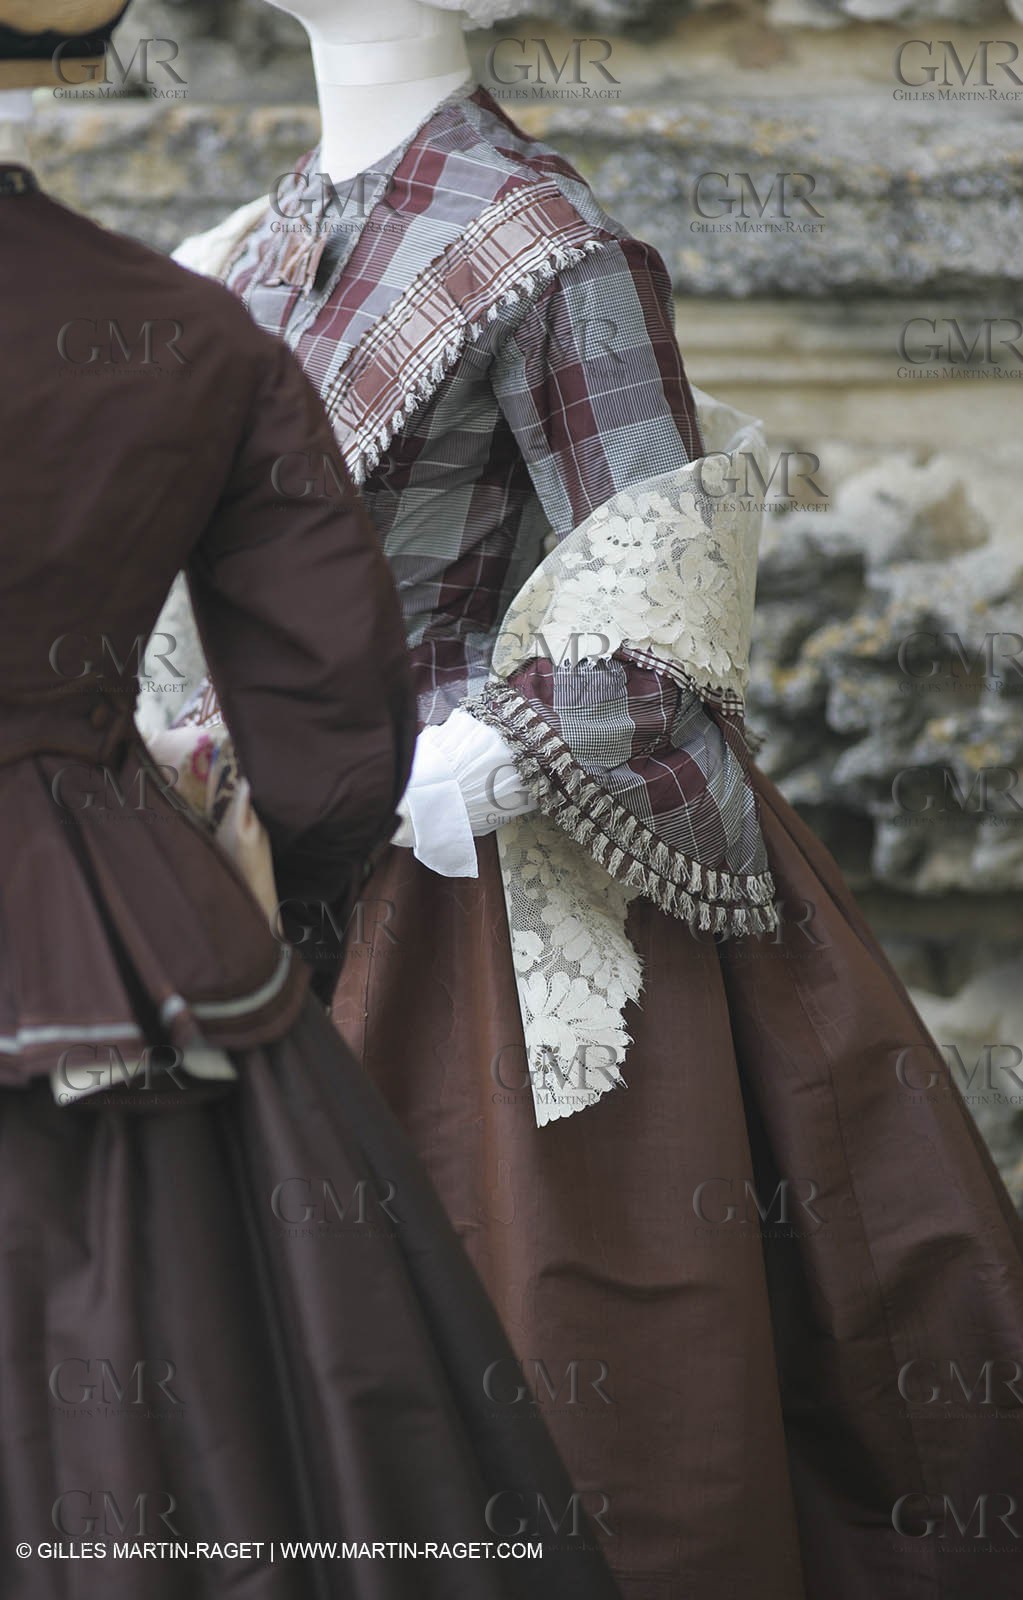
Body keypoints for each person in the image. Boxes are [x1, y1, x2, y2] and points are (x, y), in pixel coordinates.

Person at [166, 2, 1023, 1594]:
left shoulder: (557, 247)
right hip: (271, 875)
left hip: (479, 887)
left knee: (561, 1345)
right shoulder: (252, 244)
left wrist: (496, 746)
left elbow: (665, 585)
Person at [0, 8, 624, 1599]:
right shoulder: (183, 325)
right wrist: (220, 854)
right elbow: (327, 729)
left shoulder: (545, 245)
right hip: (114, 945)